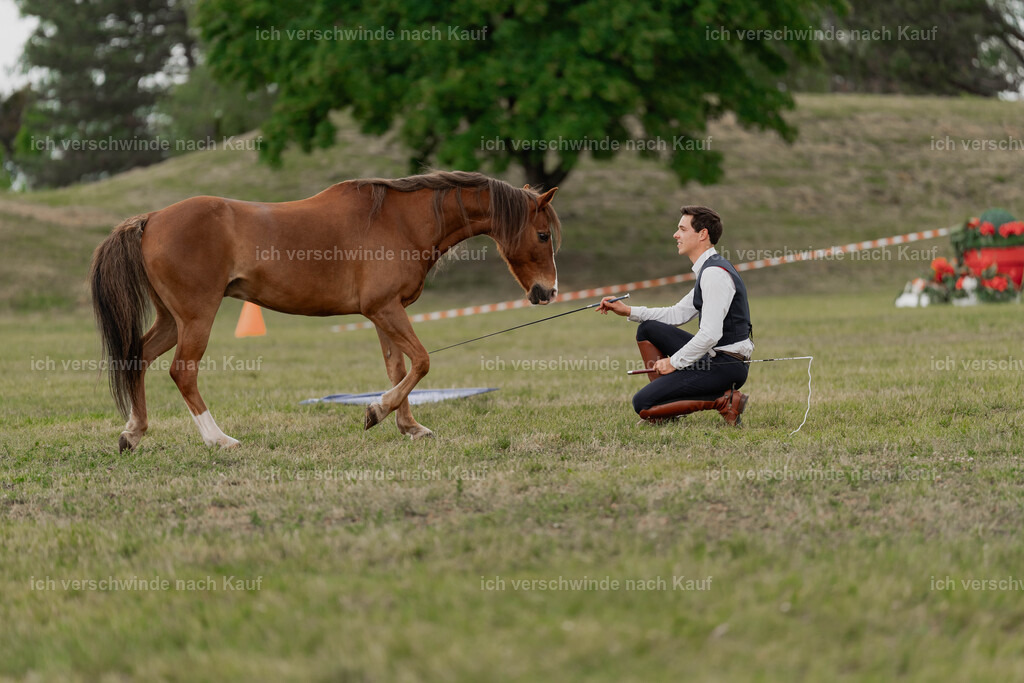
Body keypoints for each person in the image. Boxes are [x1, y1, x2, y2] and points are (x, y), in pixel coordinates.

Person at [597, 206, 753, 425]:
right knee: (648, 328)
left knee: (642, 404)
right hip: (715, 357)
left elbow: (710, 334)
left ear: (702, 234)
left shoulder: (715, 274)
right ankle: (665, 410)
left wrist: (674, 363)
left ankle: (723, 402)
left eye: (682, 229)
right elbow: (677, 314)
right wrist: (629, 311)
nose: (675, 234)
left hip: (727, 366)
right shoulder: (708, 270)